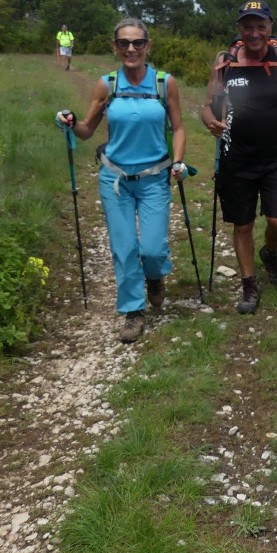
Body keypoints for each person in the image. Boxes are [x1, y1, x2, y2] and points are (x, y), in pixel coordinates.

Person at [56, 18, 186, 343]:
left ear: (148, 45)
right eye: (124, 43)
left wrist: (179, 161)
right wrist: (71, 123)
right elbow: (87, 130)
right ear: (115, 47)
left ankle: (155, 277)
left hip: (155, 178)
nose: (131, 49)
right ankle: (133, 311)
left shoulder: (163, 83)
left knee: (153, 249)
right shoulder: (107, 85)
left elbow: (180, 128)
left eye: (137, 43)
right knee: (124, 247)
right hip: (115, 180)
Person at [200, 0, 277, 314]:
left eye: (260, 26)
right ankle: (249, 284)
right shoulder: (225, 62)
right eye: (248, 26)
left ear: (270, 28)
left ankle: (270, 252)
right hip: (236, 155)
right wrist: (209, 119)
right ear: (239, 29)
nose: (254, 32)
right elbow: (206, 105)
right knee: (243, 224)